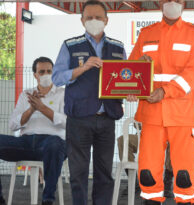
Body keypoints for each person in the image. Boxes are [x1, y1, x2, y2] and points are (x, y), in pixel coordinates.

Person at [127, 0, 194, 204]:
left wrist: (165, 91)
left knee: (184, 176)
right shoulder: (146, 34)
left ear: (184, 4)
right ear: (159, 3)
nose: (172, 2)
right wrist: (130, 88)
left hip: (181, 113)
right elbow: (130, 67)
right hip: (151, 113)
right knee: (147, 173)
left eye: (177, 0)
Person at [52, 1, 125, 204]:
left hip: (107, 117)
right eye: (89, 17)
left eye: (98, 17)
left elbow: (125, 79)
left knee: (105, 174)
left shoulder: (118, 47)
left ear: (106, 20)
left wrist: (131, 92)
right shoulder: (70, 45)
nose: (94, 21)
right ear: (82, 20)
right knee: (78, 173)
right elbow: (57, 78)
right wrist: (81, 69)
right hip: (79, 119)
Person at [0, 57, 66, 205]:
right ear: (35, 75)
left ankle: (48, 199)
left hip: (52, 143)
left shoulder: (63, 94)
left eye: (49, 71)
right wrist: (31, 110)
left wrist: (43, 109)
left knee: (55, 144)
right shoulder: (26, 95)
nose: (46, 74)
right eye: (41, 72)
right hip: (26, 143)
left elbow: (69, 123)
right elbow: (12, 125)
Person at [117, 134, 174, 198]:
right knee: (122, 140)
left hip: (164, 138)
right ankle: (133, 183)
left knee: (176, 140)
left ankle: (167, 185)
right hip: (144, 136)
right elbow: (136, 125)